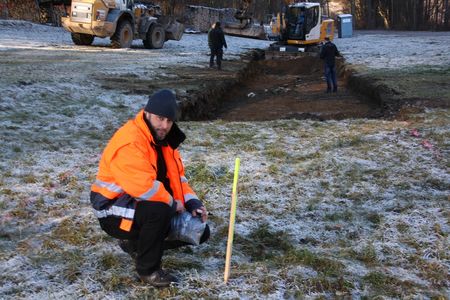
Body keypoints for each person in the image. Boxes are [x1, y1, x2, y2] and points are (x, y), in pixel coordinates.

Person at [90, 89, 210, 287]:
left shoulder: (165, 142)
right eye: (160, 119)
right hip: (111, 208)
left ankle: (136, 245)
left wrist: (191, 203)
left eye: (169, 121)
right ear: (147, 113)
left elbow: (178, 179)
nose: (164, 126)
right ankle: (148, 270)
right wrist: (173, 204)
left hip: (140, 206)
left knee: (198, 231)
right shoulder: (131, 140)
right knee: (160, 210)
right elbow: (143, 187)